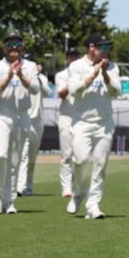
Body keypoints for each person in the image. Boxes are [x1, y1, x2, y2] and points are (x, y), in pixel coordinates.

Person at [66, 34, 122, 218]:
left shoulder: (112, 67)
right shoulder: (76, 66)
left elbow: (116, 92)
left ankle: (93, 204)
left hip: (104, 123)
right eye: (102, 47)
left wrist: (105, 73)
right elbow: (74, 91)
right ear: (92, 47)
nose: (106, 51)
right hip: (82, 122)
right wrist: (93, 74)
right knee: (80, 160)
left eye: (108, 47)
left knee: (100, 163)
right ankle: (78, 192)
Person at [0, 31, 40, 214]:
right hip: (0, 114)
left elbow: (35, 88)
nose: (14, 48)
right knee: (0, 155)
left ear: (22, 47)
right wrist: (9, 76)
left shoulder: (30, 66)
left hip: (21, 114)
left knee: (15, 160)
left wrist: (22, 76)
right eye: (10, 44)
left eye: (17, 44)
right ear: (5, 47)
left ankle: (9, 200)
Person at [16, 58, 47, 198]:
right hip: (24, 116)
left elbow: (46, 92)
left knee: (32, 157)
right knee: (22, 153)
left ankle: (28, 185)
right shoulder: (18, 76)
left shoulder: (42, 78)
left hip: (37, 119)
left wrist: (39, 78)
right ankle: (19, 186)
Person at [53, 47, 81, 202]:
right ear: (67, 58)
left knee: (79, 154)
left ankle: (76, 183)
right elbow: (62, 94)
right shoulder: (61, 75)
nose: (73, 58)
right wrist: (72, 83)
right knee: (66, 154)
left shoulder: (83, 73)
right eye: (71, 56)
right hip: (66, 116)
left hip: (80, 117)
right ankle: (66, 187)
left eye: (75, 55)